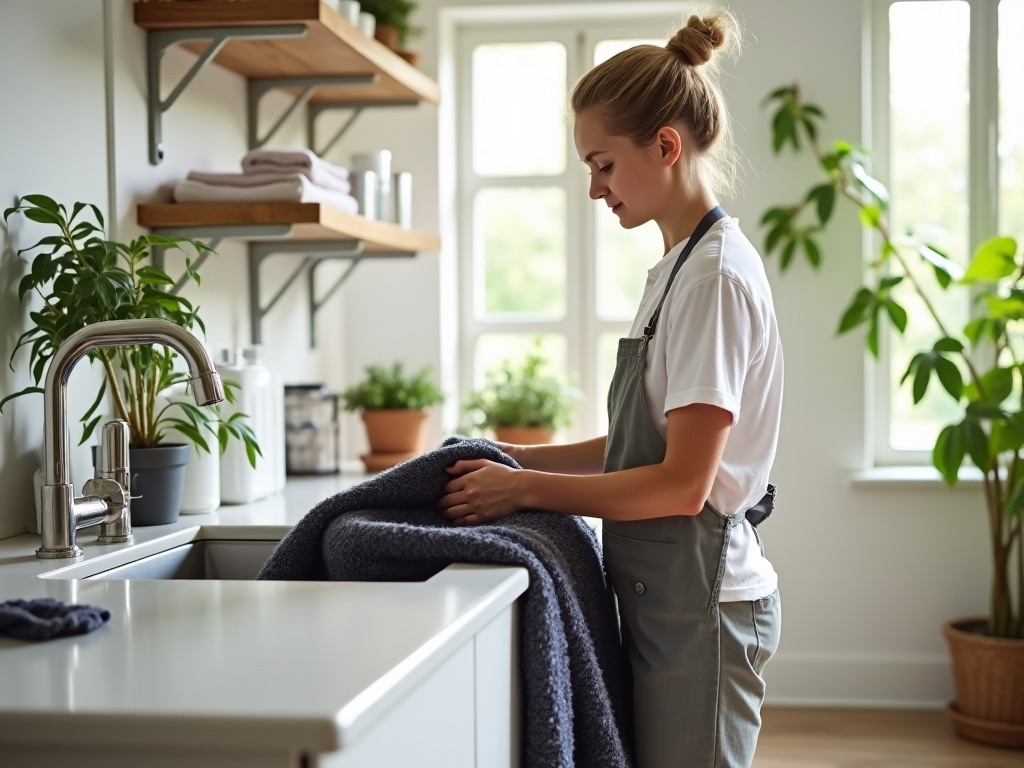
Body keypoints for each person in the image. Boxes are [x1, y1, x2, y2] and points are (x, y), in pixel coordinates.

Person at [439, 9, 782, 768]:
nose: (594, 189)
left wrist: (523, 493)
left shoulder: (714, 281)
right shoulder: (677, 269)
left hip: (705, 607)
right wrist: (516, 462)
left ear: (665, 146)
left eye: (602, 164)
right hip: (670, 597)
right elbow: (636, 447)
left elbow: (684, 484)